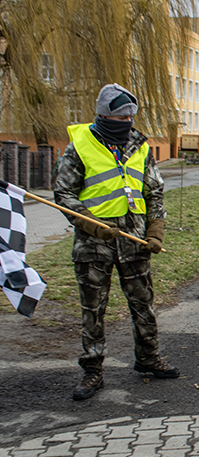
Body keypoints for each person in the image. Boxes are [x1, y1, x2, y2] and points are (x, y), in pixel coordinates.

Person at [54, 83, 178, 401]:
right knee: (93, 310)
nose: (126, 126)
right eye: (120, 120)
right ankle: (92, 370)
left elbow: (154, 191)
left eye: (130, 121)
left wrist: (155, 232)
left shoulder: (141, 147)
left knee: (143, 304)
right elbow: (63, 194)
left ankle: (148, 358)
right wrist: (91, 225)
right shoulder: (79, 146)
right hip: (93, 244)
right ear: (103, 116)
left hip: (134, 240)